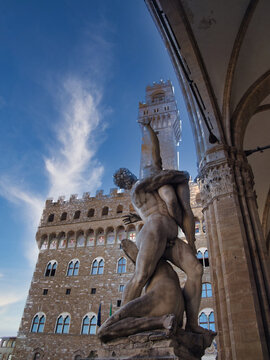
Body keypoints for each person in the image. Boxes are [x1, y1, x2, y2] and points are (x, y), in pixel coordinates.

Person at [98, 239, 185, 342]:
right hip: (178, 310)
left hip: (162, 299)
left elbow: (137, 282)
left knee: (103, 331)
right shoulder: (166, 267)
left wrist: (122, 311)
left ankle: (162, 321)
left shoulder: (147, 260)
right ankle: (163, 321)